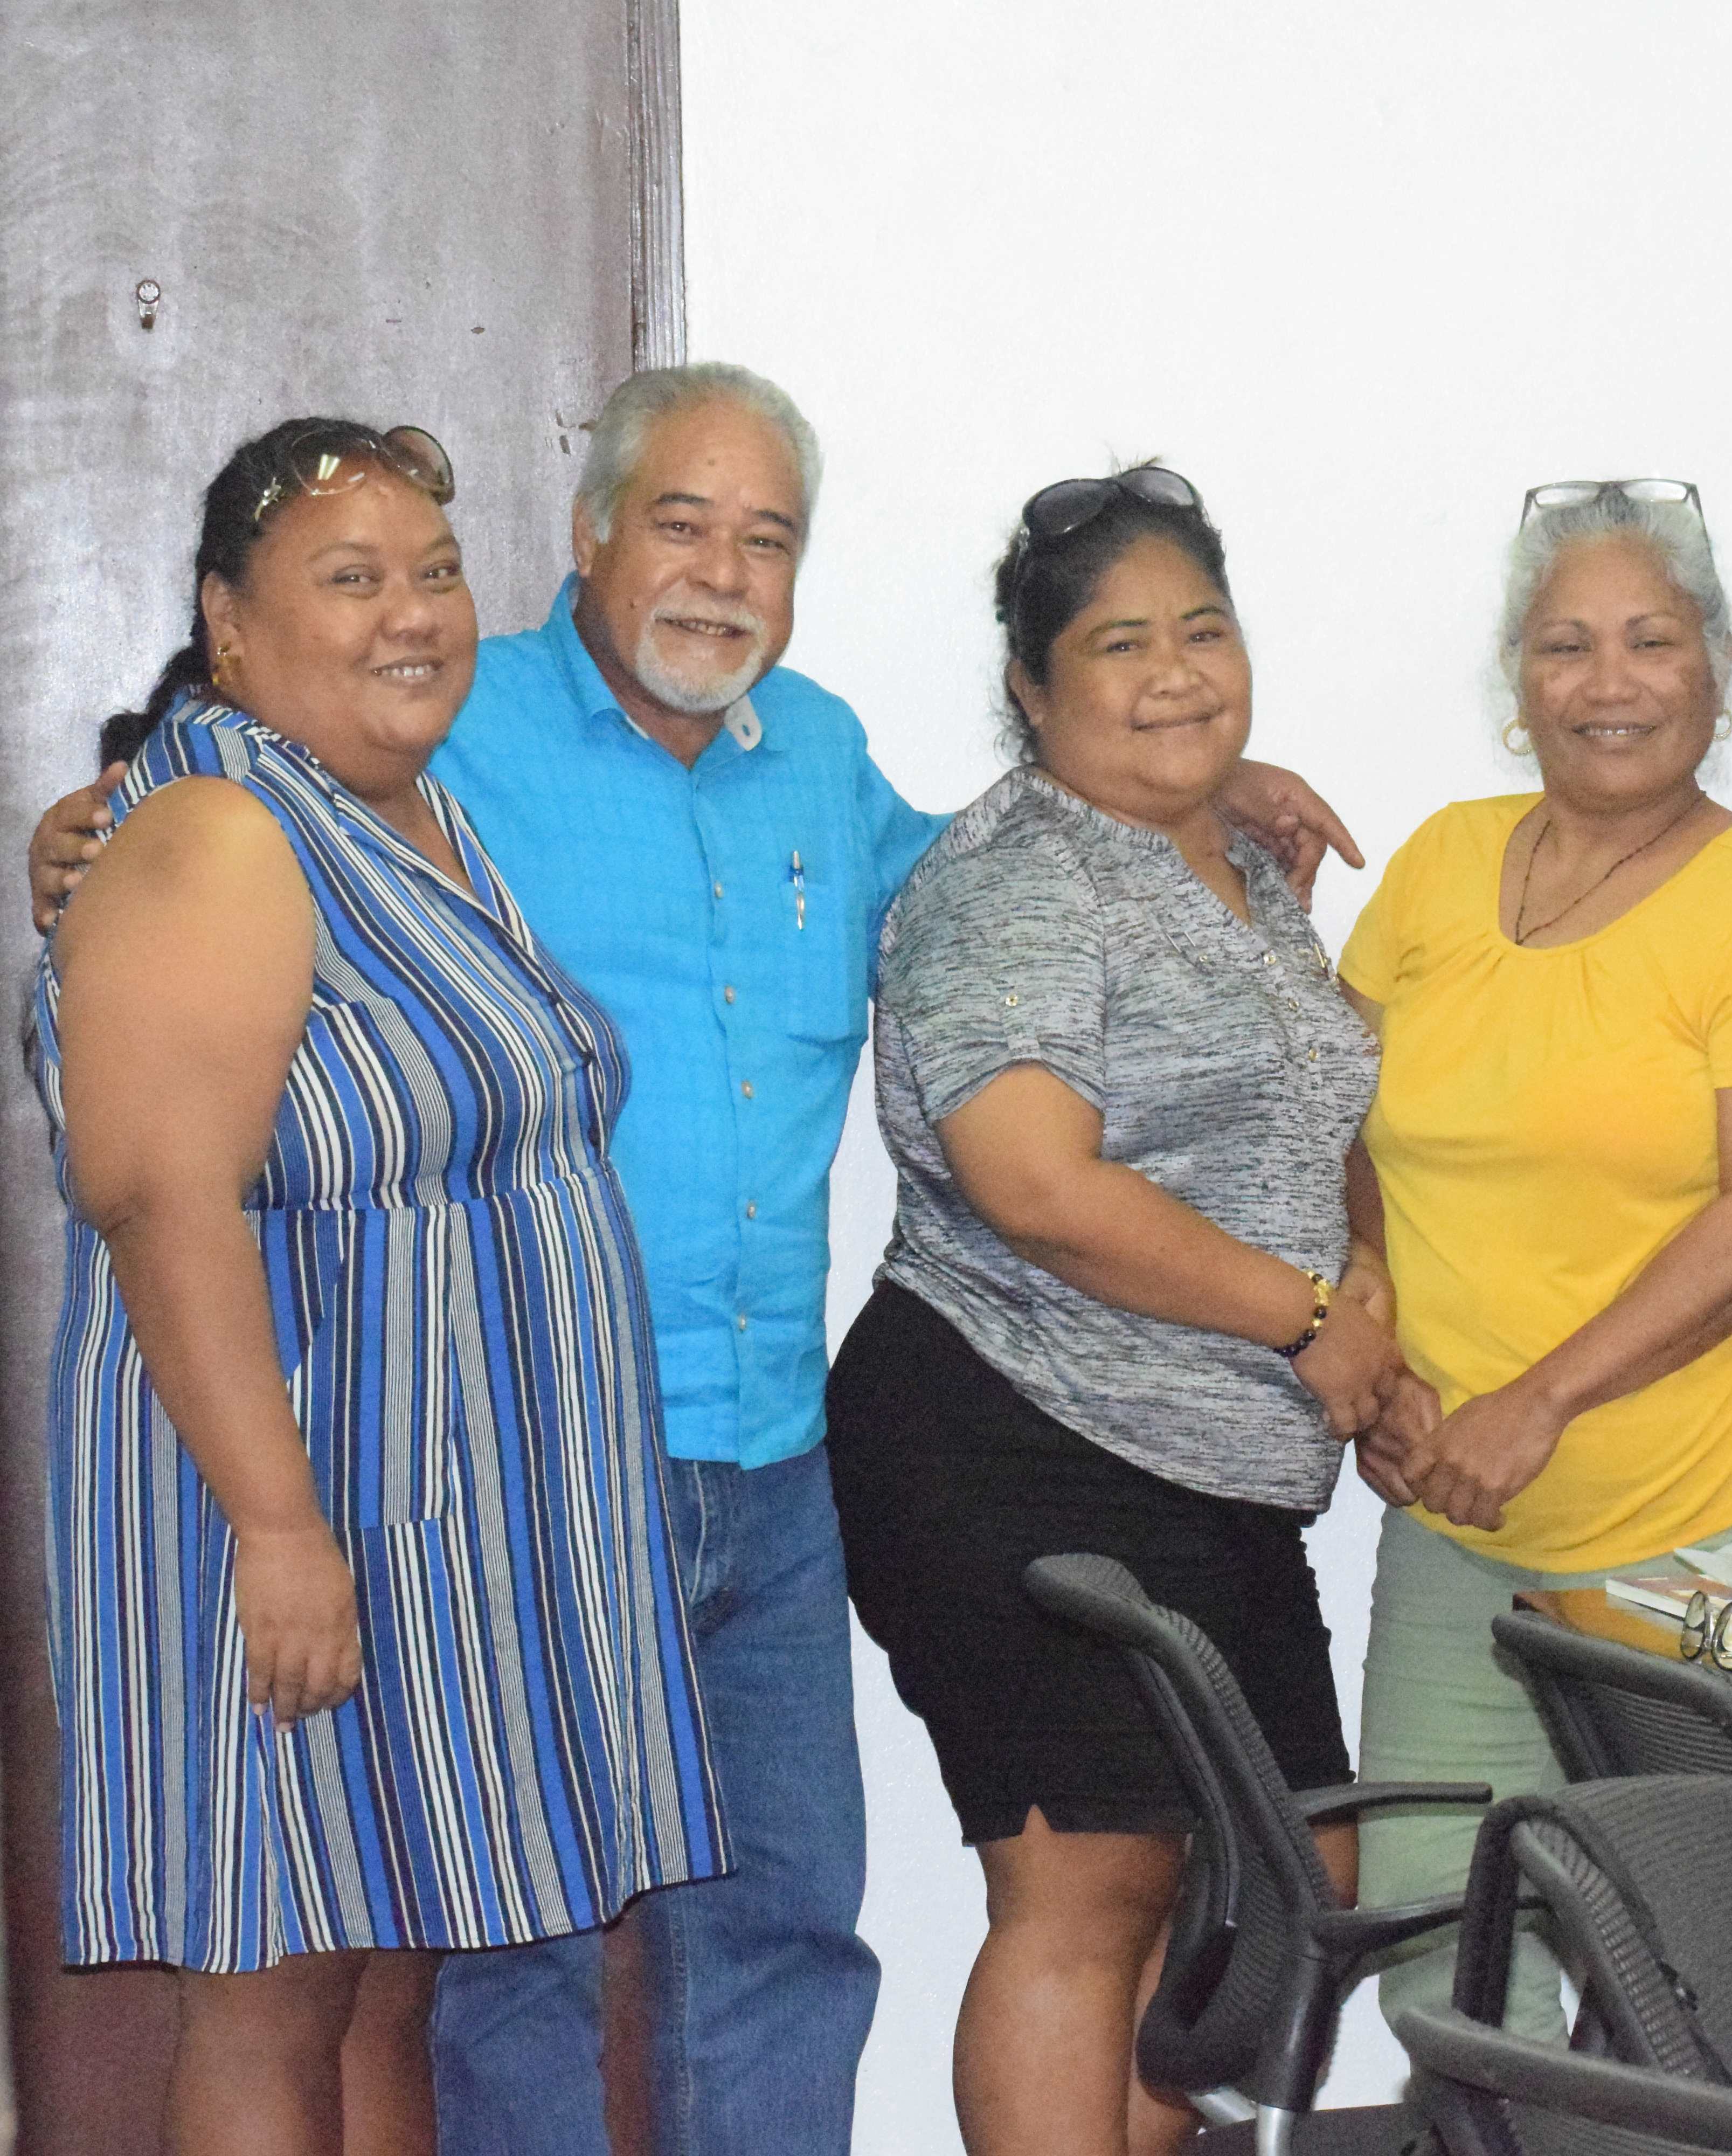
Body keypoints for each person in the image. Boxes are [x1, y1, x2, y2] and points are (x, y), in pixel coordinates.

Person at [24, 366, 1360, 2155]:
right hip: (507, 1461)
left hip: (771, 1454)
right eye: (681, 522)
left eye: (769, 538)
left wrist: (1187, 774)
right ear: (587, 534)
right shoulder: (439, 728)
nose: (724, 573)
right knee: (507, 1955)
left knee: (780, 1929)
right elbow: (174, 1081)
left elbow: (980, 889)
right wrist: (93, 828)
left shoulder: (810, 754)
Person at [33, 418, 724, 2155]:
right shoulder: (216, 833)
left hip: (426, 1516)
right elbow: (159, 1197)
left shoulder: (402, 815)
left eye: (436, 572)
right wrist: (278, 1530)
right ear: (229, 622)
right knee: (272, 1996)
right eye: (352, 579)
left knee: (380, 1985)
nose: (412, 612)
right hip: (281, 1508)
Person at [823, 467, 1396, 2156]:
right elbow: (1034, 1182)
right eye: (1119, 645)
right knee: (1090, 1887)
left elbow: (1313, 1105)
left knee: (1289, 1877)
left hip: (1213, 1471)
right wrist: (1306, 1317)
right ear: (1032, 687)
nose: (1173, 675)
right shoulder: (1016, 881)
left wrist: (1369, 1283)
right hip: (1012, 1438)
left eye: (1202, 632)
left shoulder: (1237, 860)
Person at [1346, 479, 1732, 2034]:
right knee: (1443, 1966)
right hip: (1466, 1526)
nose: (1610, 681)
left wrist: (1541, 1399)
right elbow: (1340, 1117)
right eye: (1566, 644)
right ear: (1517, 681)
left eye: (1652, 639)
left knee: (1727, 1995)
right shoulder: (1441, 864)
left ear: (1717, 666)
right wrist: (1372, 1317)